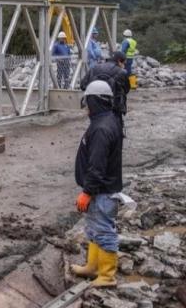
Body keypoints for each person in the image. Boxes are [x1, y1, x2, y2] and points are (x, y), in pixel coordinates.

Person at [70, 80, 123, 288]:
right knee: (94, 229)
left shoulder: (101, 128)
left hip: (101, 192)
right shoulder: (108, 120)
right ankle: (93, 267)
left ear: (93, 101)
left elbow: (97, 166)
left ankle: (107, 276)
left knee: (103, 230)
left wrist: (87, 192)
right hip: (102, 190)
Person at [80, 51, 130, 125]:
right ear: (119, 61)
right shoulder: (122, 72)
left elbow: (83, 86)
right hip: (113, 107)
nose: (124, 66)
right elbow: (126, 89)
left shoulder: (94, 68)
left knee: (96, 125)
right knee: (113, 128)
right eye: (124, 63)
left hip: (94, 104)